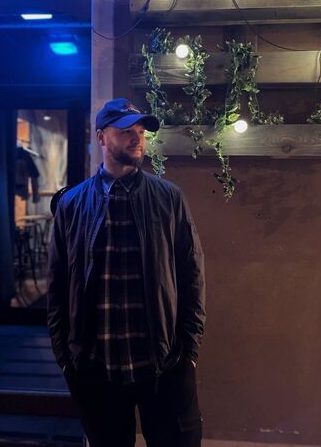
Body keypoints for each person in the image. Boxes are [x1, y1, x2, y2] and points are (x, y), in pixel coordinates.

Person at [47, 98, 206, 447]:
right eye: (125, 131)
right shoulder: (72, 204)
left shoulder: (169, 198)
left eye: (141, 132)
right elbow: (57, 285)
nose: (137, 139)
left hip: (162, 364)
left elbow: (192, 274)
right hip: (95, 369)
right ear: (101, 138)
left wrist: (189, 353)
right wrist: (66, 357)